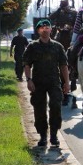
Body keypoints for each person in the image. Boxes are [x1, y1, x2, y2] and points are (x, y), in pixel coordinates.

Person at [22, 19, 70, 148]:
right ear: (38, 31)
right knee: (39, 109)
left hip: (54, 81)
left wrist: (67, 82)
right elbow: (27, 65)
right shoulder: (32, 46)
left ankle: (53, 135)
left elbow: (63, 65)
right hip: (38, 82)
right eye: (42, 28)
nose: (45, 29)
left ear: (51, 30)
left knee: (55, 105)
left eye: (47, 27)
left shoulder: (57, 46)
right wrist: (29, 80)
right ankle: (43, 135)